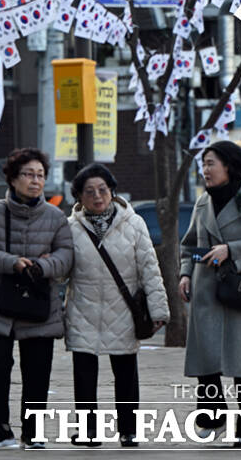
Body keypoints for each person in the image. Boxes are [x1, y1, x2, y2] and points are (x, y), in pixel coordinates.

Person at [179, 140, 241, 449]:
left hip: (240, 292)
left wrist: (231, 250)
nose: (205, 170)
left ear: (229, 166)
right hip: (207, 290)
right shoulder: (202, 203)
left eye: (211, 163)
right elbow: (188, 244)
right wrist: (185, 273)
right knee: (206, 361)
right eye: (204, 163)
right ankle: (213, 416)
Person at [0, 147, 73, 449]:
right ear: (13, 178)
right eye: (28, 174)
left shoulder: (56, 216)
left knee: (37, 368)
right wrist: (13, 261)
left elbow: (67, 256)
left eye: (40, 175)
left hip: (39, 299)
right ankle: (1, 429)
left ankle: (33, 431)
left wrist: (43, 266)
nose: (35, 180)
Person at [65, 163, 170, 447]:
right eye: (89, 192)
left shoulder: (133, 223)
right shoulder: (70, 228)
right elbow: (61, 270)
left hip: (123, 308)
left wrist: (159, 309)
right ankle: (88, 430)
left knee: (125, 371)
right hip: (83, 308)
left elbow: (150, 268)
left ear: (112, 191)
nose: (98, 196)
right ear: (79, 196)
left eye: (103, 190)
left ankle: (129, 429)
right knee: (84, 373)